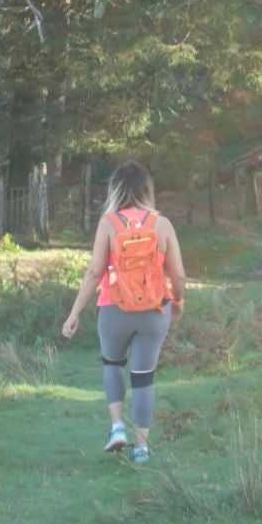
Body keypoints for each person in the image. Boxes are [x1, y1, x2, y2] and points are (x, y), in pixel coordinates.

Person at [62, 160, 186, 463]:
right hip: (155, 311)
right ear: (147, 189)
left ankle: (117, 427)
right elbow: (179, 275)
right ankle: (142, 448)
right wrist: (178, 302)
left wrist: (74, 312)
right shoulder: (162, 224)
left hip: (114, 308)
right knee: (144, 379)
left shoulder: (109, 223)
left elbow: (94, 272)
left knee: (112, 365)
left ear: (115, 189)